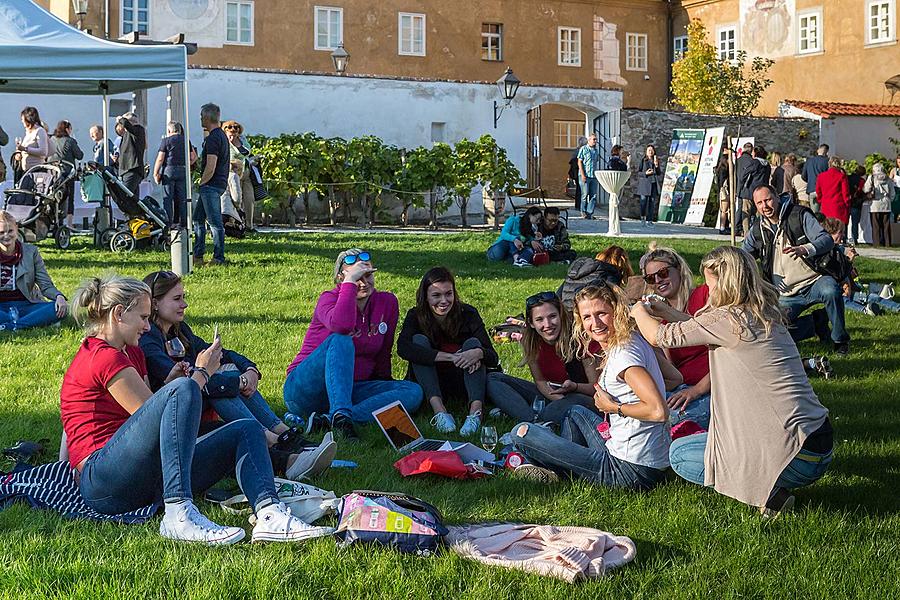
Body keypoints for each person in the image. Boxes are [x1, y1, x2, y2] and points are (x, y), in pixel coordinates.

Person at [61, 274, 333, 544]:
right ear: (119, 314)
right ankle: (178, 514)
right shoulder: (104, 357)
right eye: (143, 318)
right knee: (185, 388)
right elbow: (154, 419)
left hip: (139, 473)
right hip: (105, 483)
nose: (147, 326)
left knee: (246, 429)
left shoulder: (130, 351)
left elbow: (149, 415)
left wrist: (174, 383)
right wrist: (200, 374)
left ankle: (270, 514)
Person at [632, 246, 833, 517]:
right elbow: (699, 326)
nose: (708, 290)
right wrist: (666, 312)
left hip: (796, 456)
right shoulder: (758, 313)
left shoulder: (728, 319)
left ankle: (770, 493)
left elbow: (659, 337)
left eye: (711, 283)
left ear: (727, 282)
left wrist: (638, 311)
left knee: (680, 454)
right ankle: (770, 486)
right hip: (816, 443)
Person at [139, 270, 336, 480]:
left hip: (193, 403)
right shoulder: (149, 338)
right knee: (219, 384)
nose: (184, 304)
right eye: (177, 299)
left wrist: (250, 369)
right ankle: (274, 439)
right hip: (173, 416)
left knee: (227, 371)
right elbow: (183, 383)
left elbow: (220, 354)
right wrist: (237, 382)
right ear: (155, 303)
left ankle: (281, 433)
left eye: (184, 297)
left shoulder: (178, 330)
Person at [509, 283, 670, 489]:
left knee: (521, 433)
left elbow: (658, 411)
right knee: (575, 412)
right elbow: (674, 378)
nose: (595, 323)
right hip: (644, 457)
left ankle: (559, 470)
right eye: (587, 317)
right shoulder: (631, 339)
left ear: (616, 311)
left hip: (630, 469)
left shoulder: (624, 357)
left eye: (601, 313)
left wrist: (614, 408)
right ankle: (563, 470)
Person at [283, 249, 422, 441]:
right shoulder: (328, 299)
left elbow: (383, 352)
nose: (363, 283)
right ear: (341, 278)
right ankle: (341, 418)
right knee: (341, 338)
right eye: (357, 277)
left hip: (351, 388)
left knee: (412, 391)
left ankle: (332, 418)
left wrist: (385, 385)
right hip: (305, 389)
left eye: (368, 275)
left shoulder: (387, 302)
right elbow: (341, 325)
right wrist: (349, 285)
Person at [742, 185, 849, 354]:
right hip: (786, 294)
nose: (765, 206)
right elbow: (743, 255)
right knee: (772, 333)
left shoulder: (799, 214)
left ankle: (840, 340)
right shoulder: (758, 229)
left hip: (814, 280)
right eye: (760, 203)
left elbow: (826, 240)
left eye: (768, 199)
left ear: (777, 197)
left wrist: (806, 248)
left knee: (831, 290)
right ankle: (816, 323)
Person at [397, 267, 498, 435]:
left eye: (448, 294)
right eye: (436, 295)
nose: (444, 301)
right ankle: (440, 412)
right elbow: (403, 348)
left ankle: (475, 413)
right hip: (432, 381)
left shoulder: (468, 314)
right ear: (426, 297)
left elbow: (493, 357)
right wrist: (450, 357)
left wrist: (478, 353)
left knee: (474, 344)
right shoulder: (416, 315)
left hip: (464, 381)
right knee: (418, 342)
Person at [487, 291, 599, 425]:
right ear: (532, 323)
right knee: (493, 379)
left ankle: (533, 417)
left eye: (552, 316)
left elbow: (596, 388)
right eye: (539, 319)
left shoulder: (580, 339)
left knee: (554, 410)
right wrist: (557, 399)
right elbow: (540, 381)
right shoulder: (531, 342)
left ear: (561, 316)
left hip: (582, 397)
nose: (547, 324)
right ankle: (534, 420)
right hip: (552, 395)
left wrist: (574, 387)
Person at [639, 246, 712, 429]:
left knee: (669, 424)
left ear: (678, 269)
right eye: (651, 278)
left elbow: (726, 352)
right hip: (681, 390)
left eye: (663, 273)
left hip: (711, 388)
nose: (657, 280)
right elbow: (672, 371)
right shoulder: (662, 322)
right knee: (643, 419)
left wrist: (695, 391)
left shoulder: (703, 295)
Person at [0, 210, 67, 331]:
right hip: (1, 307)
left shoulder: (31, 252)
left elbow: (45, 285)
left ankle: (10, 326)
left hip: (26, 305)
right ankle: (24, 323)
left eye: (10, 231)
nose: (6, 235)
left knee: (56, 308)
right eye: (1, 232)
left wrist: (59, 297)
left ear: (16, 228)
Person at [194, 103, 230, 265]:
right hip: (217, 183)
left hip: (211, 184)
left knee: (215, 223)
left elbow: (211, 164)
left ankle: (218, 257)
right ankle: (197, 255)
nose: (200, 119)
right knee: (197, 219)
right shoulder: (221, 136)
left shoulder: (213, 138)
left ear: (208, 117)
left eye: (202, 116)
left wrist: (202, 182)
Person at [222, 120, 258, 231]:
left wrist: (236, 144)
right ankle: (235, 223)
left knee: (249, 198)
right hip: (231, 173)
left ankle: (249, 226)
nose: (233, 135)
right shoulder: (223, 141)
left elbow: (247, 152)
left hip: (245, 172)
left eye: (235, 132)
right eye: (230, 133)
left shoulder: (242, 140)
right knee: (235, 198)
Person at [49, 120, 84, 229]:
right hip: (67, 173)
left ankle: (54, 221)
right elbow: (80, 156)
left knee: (53, 197)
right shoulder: (70, 141)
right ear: (67, 129)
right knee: (69, 198)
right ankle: (69, 223)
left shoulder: (52, 139)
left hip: (52, 172)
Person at [153, 122, 188, 225]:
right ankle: (184, 223)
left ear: (169, 130)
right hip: (182, 169)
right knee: (182, 198)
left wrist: (156, 173)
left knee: (167, 198)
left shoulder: (166, 141)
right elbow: (193, 156)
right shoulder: (185, 140)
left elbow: (160, 158)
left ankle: (168, 223)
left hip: (169, 170)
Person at [738, 146, 771, 236]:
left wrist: (742, 184)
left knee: (746, 212)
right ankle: (760, 232)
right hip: (761, 191)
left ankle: (747, 233)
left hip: (749, 190)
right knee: (760, 213)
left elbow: (744, 174)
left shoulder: (754, 162)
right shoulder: (767, 165)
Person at [114, 112, 147, 200]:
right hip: (127, 170)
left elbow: (127, 125)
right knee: (133, 199)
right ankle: (135, 214)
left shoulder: (138, 130)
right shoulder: (127, 135)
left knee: (124, 196)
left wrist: (120, 119)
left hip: (132, 169)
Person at [864, 162, 896, 247]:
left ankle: (877, 243)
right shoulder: (888, 178)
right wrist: (889, 200)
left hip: (875, 204)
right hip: (886, 204)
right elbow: (892, 193)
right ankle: (887, 243)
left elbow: (866, 188)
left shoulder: (872, 177)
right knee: (886, 225)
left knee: (876, 226)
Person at [816, 156, 850, 227]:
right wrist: (847, 204)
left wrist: (821, 201)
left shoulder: (821, 176)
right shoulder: (841, 176)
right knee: (838, 229)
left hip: (826, 205)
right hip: (839, 206)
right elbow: (845, 193)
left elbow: (818, 192)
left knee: (827, 228)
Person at [15, 107, 49, 173]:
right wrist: (19, 154)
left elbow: (43, 152)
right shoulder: (28, 133)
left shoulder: (40, 131)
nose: (22, 121)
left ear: (28, 119)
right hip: (27, 171)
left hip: (37, 171)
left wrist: (25, 149)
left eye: (22, 119)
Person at [733, 142, 755, 234]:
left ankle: (736, 227)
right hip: (747, 188)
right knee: (746, 210)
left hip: (738, 186)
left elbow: (734, 175)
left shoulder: (738, 160)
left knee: (740, 208)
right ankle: (742, 228)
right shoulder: (751, 161)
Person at [577, 134, 600, 219]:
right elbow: (579, 162)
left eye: (596, 139)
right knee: (585, 194)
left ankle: (590, 213)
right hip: (585, 175)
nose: (595, 141)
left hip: (593, 176)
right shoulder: (583, 149)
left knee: (593, 195)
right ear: (589, 140)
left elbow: (595, 162)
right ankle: (583, 211)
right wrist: (583, 175)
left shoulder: (596, 151)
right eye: (594, 139)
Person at [636, 145, 660, 227]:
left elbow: (659, 173)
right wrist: (645, 173)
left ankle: (649, 220)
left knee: (652, 203)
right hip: (645, 185)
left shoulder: (655, 160)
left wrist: (656, 166)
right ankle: (642, 218)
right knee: (643, 202)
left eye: (652, 150)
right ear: (646, 152)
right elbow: (639, 173)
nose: (650, 151)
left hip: (653, 184)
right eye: (649, 150)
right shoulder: (643, 161)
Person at [803, 144, 830, 213]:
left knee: (814, 214)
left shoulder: (809, 161)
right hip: (823, 190)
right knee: (823, 214)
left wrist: (810, 181)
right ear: (826, 152)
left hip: (811, 189)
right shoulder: (827, 162)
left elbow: (803, 176)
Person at [568, 136, 586, 212]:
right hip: (578, 172)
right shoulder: (580, 150)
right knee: (580, 190)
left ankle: (578, 205)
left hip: (576, 172)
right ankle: (579, 205)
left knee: (579, 189)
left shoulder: (576, 151)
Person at [715, 151, 731, 235]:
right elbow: (723, 182)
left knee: (724, 210)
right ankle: (722, 227)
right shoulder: (724, 170)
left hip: (722, 191)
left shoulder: (719, 169)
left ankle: (724, 226)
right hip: (724, 191)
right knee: (724, 210)